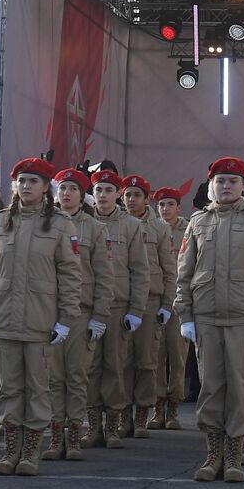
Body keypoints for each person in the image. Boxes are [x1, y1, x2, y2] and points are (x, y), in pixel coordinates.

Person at [175, 157, 244, 482]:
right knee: (210, 387)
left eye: (232, 181)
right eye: (220, 181)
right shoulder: (197, 222)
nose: (225, 186)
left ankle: (234, 456)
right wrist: (186, 314)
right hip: (206, 317)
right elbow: (185, 272)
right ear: (212, 187)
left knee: (240, 386)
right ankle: (212, 455)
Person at [0, 158, 83, 477]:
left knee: (36, 388)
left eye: (33, 181)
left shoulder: (61, 224)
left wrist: (65, 317)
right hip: (5, 317)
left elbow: (70, 273)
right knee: (9, 388)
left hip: (41, 320)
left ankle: (30, 453)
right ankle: (11, 452)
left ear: (46, 187)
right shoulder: (0, 221)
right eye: (21, 181)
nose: (26, 186)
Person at [43, 168, 111, 461]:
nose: (66, 194)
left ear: (82, 195)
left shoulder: (95, 229)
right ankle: (55, 436)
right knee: (53, 379)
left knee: (77, 375)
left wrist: (100, 315)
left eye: (72, 189)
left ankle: (74, 437)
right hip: (46, 311)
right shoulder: (45, 223)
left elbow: (105, 276)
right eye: (62, 189)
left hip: (80, 313)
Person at [83, 168, 149, 449]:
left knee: (115, 366)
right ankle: (92, 426)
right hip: (86, 305)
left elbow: (140, 271)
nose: (103, 195)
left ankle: (112, 426)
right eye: (98, 190)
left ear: (117, 195)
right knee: (89, 367)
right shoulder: (82, 223)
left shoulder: (131, 226)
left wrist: (136, 309)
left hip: (117, 306)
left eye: (109, 190)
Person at [120, 174, 176, 439]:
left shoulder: (160, 228)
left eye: (136, 195)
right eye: (127, 195)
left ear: (147, 198)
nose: (131, 200)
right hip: (120, 299)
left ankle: (141, 414)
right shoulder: (115, 225)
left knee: (146, 360)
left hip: (151, 301)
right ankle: (122, 415)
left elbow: (169, 269)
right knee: (120, 361)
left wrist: (167, 303)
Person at [153, 184, 191, 429]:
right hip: (156, 299)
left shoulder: (189, 230)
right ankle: (157, 408)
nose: (165, 209)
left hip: (180, 300)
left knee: (177, 356)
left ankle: (173, 407)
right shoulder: (152, 229)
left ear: (179, 207)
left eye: (170, 204)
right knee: (156, 356)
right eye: (161, 205)